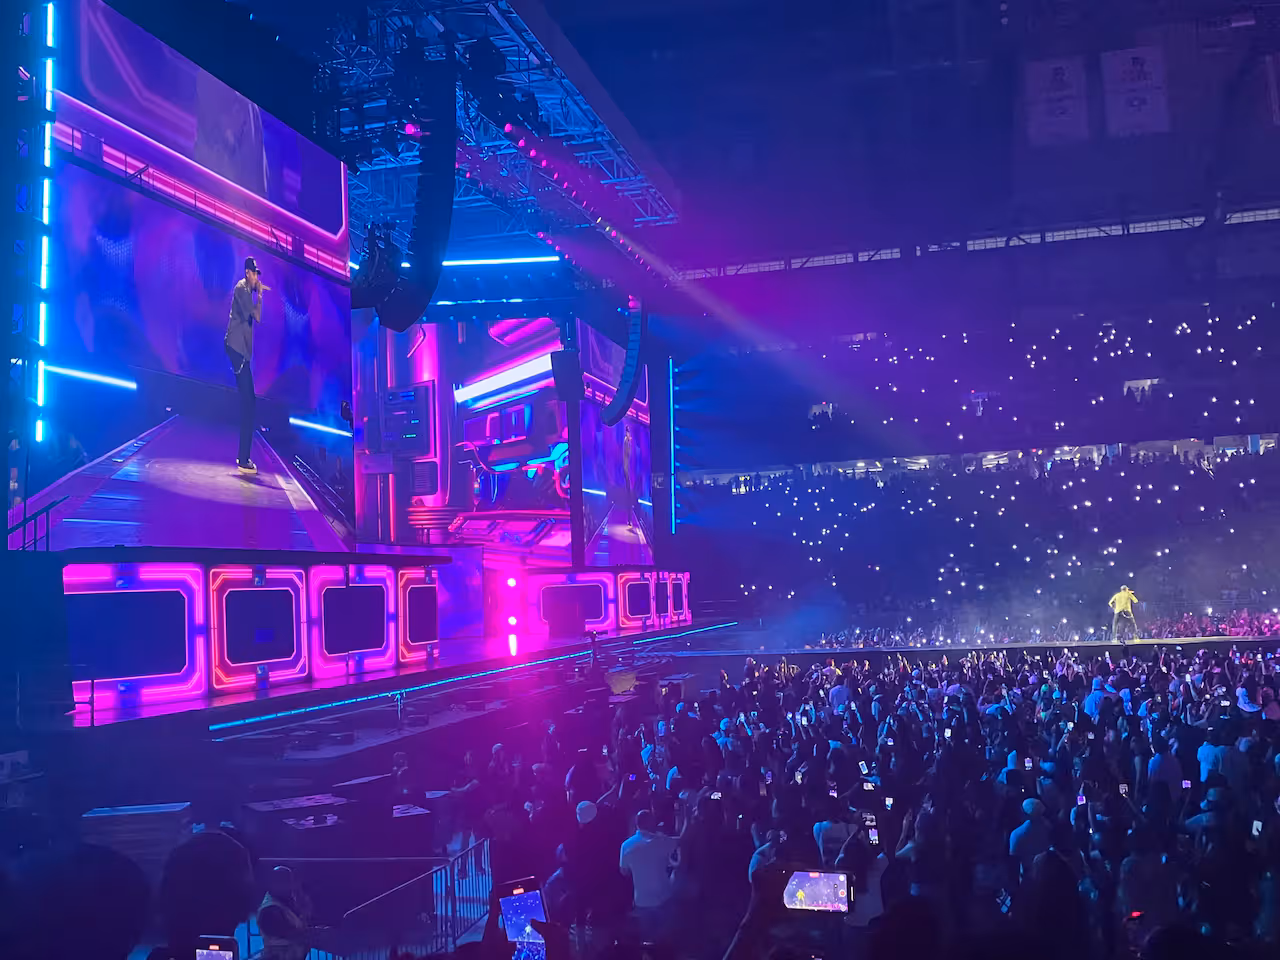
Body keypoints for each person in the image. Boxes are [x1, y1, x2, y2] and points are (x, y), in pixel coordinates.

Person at [225, 256, 267, 473]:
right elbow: (256, 316)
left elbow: (256, 316)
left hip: (241, 352)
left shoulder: (248, 290)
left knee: (248, 402)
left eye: (257, 274)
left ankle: (243, 457)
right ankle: (243, 459)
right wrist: (258, 295)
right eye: (254, 274)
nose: (256, 278)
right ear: (247, 273)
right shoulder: (241, 289)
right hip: (237, 349)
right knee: (249, 402)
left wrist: (258, 294)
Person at [618, 809, 677, 916]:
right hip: (663, 897)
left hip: (642, 900)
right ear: (651, 823)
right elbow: (681, 841)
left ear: (637, 824)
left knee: (647, 927)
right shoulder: (662, 840)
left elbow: (624, 871)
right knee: (667, 926)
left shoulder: (626, 845)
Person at [257, 865, 311, 960]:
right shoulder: (270, 910)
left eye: (290, 881)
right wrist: (317, 935)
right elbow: (292, 934)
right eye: (286, 882)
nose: (290, 886)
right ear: (274, 884)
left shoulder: (284, 903)